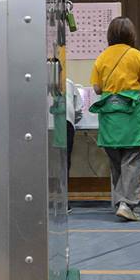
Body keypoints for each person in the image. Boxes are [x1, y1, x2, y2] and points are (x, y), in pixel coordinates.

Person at [89, 17, 140, 222]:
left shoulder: (101, 57)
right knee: (132, 160)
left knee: (115, 161)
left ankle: (119, 202)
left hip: (109, 115)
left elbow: (97, 89)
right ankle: (127, 204)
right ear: (131, 34)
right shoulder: (138, 56)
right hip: (131, 114)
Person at [65, 77, 84, 214]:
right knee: (64, 163)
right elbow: (78, 110)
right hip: (64, 123)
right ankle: (63, 202)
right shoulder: (68, 82)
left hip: (40, 124)